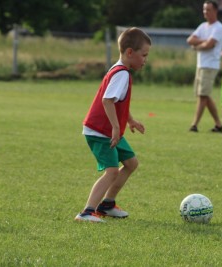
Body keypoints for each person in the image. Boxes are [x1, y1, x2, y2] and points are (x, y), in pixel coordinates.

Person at [75, 27, 151, 223]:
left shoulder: (120, 70)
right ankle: (86, 212)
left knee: (131, 163)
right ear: (129, 52)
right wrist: (116, 128)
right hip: (101, 131)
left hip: (108, 130)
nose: (145, 60)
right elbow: (107, 101)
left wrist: (130, 120)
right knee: (112, 171)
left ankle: (107, 205)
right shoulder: (122, 74)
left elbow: (117, 101)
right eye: (144, 55)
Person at [187, 0, 222, 133]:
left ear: (215, 11)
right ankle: (219, 125)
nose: (205, 12)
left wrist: (198, 45)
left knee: (203, 95)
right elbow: (189, 40)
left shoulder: (218, 27)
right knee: (203, 94)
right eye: (204, 9)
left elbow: (210, 45)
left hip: (210, 65)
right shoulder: (203, 26)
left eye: (208, 9)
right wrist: (204, 41)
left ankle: (194, 124)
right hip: (201, 64)